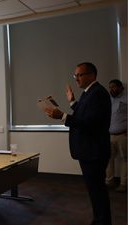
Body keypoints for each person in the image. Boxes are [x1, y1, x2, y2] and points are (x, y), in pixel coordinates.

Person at [44, 62, 112, 225]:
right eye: (75, 75)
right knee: (95, 191)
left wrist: (62, 116)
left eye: (79, 75)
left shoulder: (98, 93)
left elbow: (89, 123)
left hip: (94, 152)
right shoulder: (89, 92)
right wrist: (73, 101)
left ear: (92, 75)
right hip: (89, 151)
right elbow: (83, 113)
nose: (76, 79)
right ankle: (99, 220)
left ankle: (102, 221)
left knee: (97, 191)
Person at [105, 79, 127, 192]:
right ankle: (109, 181)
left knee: (125, 159)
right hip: (109, 135)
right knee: (108, 159)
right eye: (110, 87)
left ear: (120, 88)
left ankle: (124, 184)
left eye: (113, 87)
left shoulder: (126, 99)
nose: (111, 89)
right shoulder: (109, 100)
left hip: (123, 135)